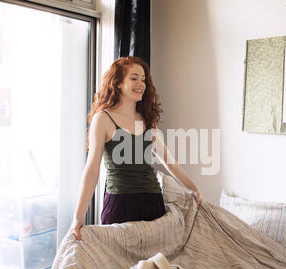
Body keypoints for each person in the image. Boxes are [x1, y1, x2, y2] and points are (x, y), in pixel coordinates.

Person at [70, 56, 203, 241]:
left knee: (151, 266)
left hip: (152, 202)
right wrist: (78, 217)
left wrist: (194, 188)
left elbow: (169, 161)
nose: (141, 84)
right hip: (120, 203)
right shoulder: (103, 119)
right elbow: (92, 171)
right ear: (117, 83)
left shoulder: (146, 120)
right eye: (134, 78)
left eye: (143, 80)